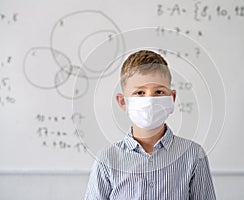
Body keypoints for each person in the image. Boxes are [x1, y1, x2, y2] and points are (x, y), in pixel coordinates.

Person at [85, 50, 216, 199]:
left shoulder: (193, 155)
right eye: (140, 93)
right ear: (123, 101)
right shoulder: (107, 159)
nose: (150, 100)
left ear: (172, 98)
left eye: (159, 91)